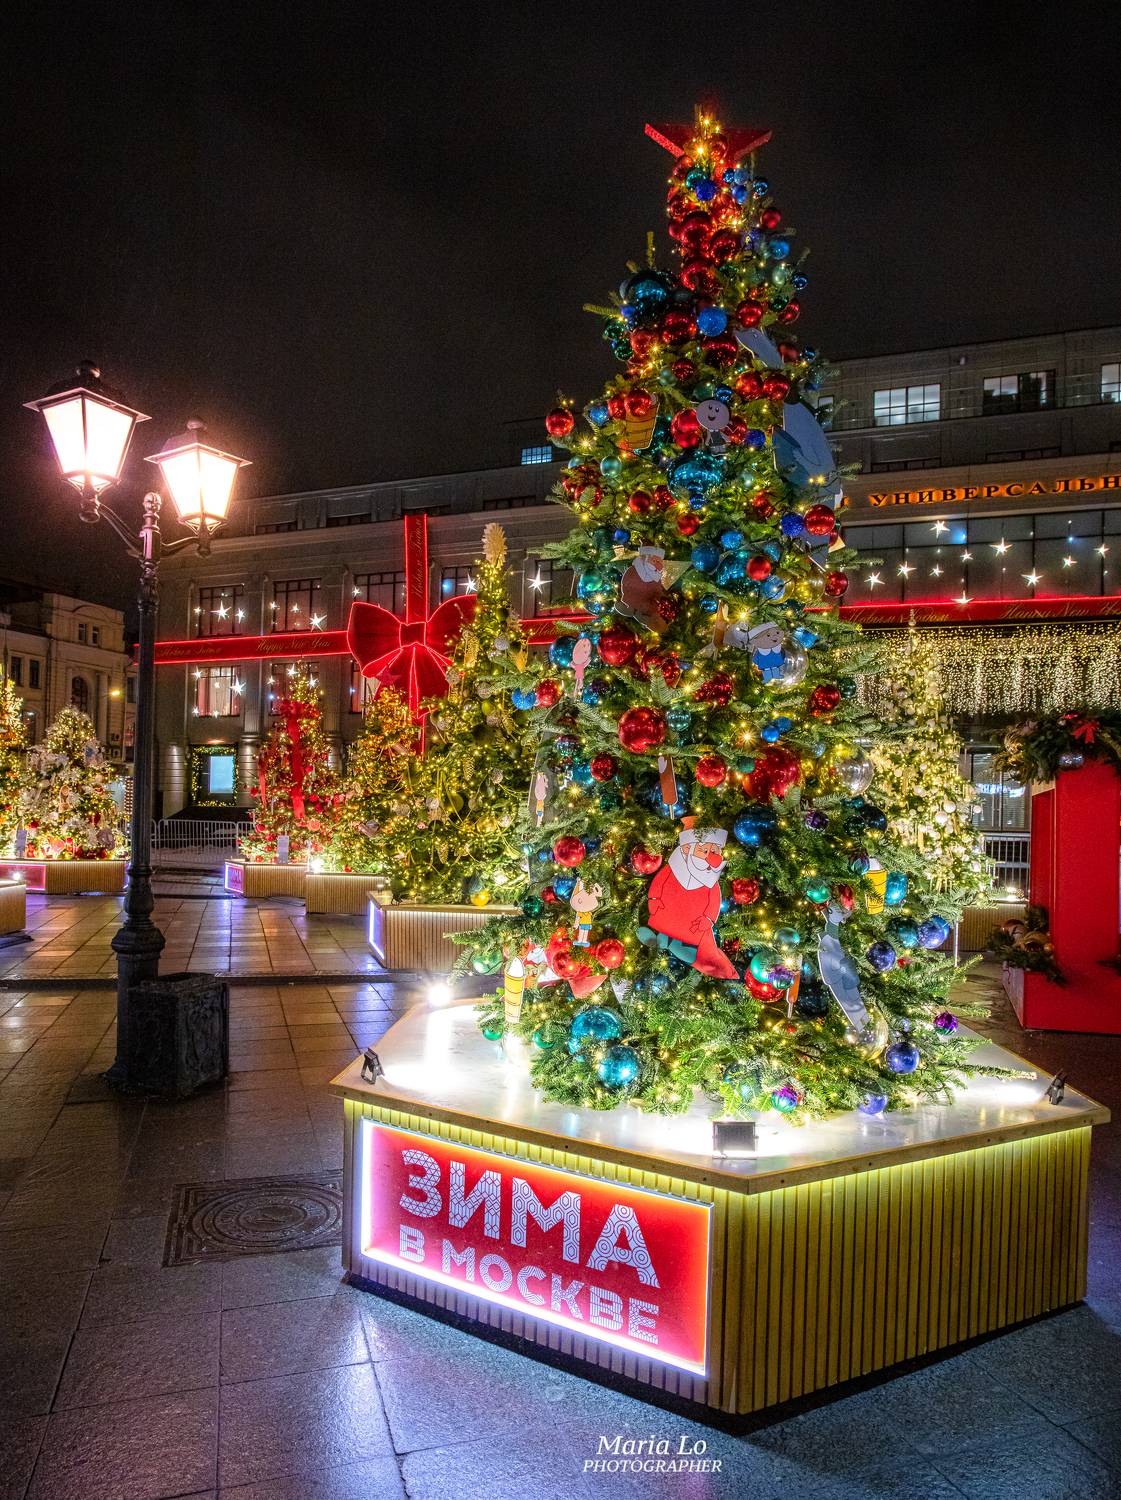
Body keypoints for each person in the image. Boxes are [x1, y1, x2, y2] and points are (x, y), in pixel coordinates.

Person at [637, 818, 737, 978]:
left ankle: (665, 943)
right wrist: (654, 900)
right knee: (668, 927)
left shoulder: (710, 881)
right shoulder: (672, 869)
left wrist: (708, 919)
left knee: (690, 944)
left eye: (715, 852)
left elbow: (714, 901)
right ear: (686, 849)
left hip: (691, 924)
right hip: (666, 913)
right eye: (705, 851)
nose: (712, 859)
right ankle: (663, 940)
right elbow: (658, 883)